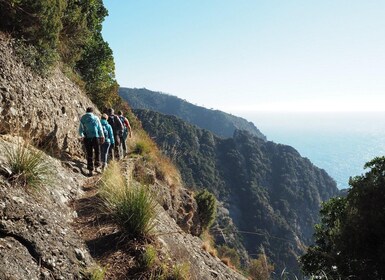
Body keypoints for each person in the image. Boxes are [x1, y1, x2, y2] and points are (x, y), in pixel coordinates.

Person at [79, 107, 105, 176]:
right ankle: (96, 166)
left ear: (86, 111)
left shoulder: (83, 118)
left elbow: (80, 130)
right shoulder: (96, 118)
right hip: (95, 137)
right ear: (92, 112)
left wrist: (82, 135)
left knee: (89, 153)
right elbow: (100, 128)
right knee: (97, 151)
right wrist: (102, 136)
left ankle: (90, 170)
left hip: (87, 138)